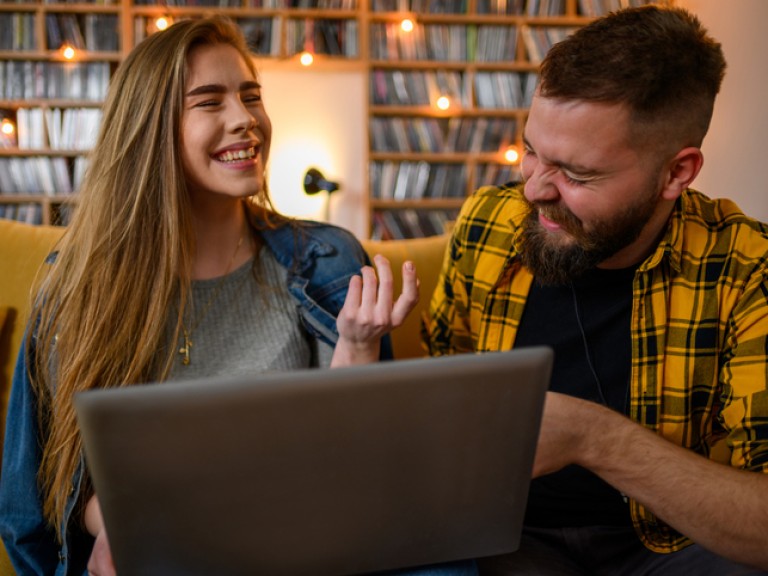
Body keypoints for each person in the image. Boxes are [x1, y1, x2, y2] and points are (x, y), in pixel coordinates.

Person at [0, 17, 476, 576]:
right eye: (209, 102)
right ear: (152, 128)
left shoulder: (328, 260)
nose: (246, 120)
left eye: (251, 97)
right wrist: (119, 520)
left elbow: (358, 478)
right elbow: (41, 500)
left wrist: (358, 349)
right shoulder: (79, 285)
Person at [424, 5, 768, 575]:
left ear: (677, 173)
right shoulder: (488, 222)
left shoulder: (748, 268)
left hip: (675, 546)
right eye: (531, 150)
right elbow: (443, 386)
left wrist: (596, 439)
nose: (533, 190)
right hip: (509, 536)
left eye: (576, 175)